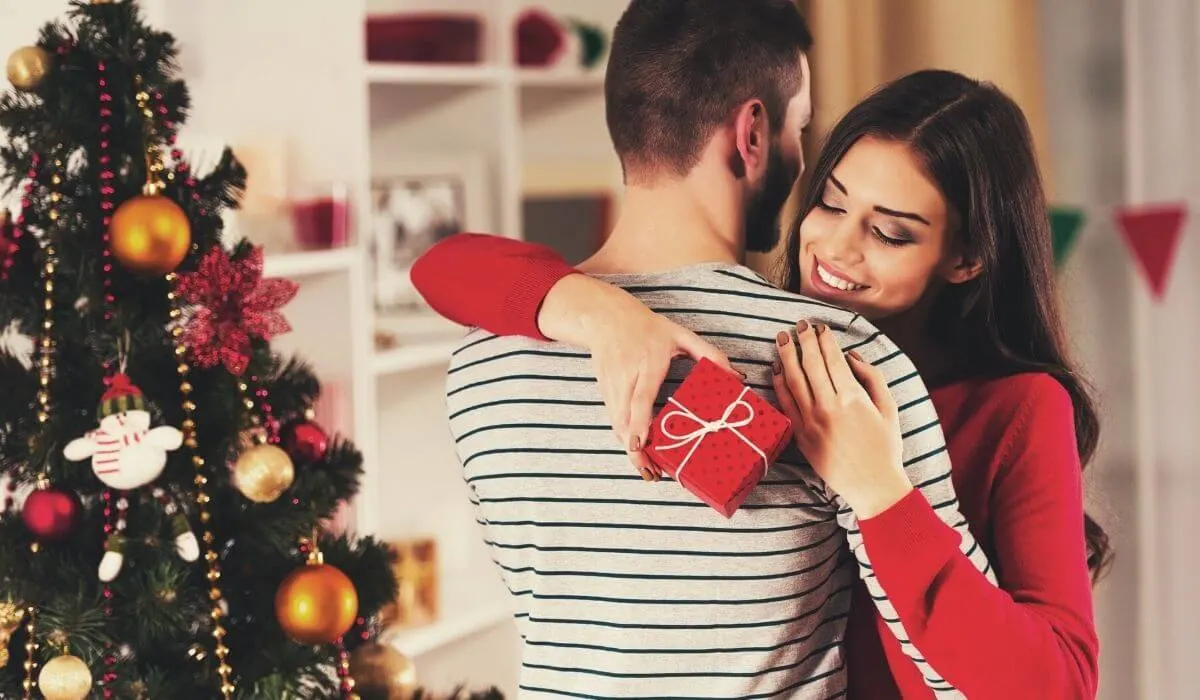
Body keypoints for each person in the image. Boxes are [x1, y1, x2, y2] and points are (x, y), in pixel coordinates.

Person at [415, 69, 1106, 698]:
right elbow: (441, 268)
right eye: (831, 205)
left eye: (890, 234)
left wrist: (880, 492)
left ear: (965, 258)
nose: (836, 250)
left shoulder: (1015, 408)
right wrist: (602, 313)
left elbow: (1056, 687)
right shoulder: (752, 354)